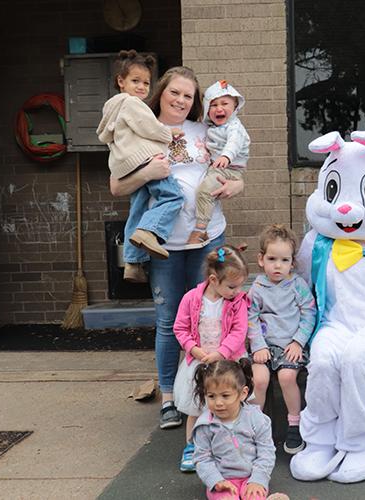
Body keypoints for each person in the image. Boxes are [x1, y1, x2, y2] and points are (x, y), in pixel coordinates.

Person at [109, 66, 245, 431]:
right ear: (161, 93)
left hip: (207, 239)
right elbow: (116, 186)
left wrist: (236, 186)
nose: (181, 100)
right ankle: (170, 398)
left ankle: (206, 393)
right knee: (170, 322)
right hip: (163, 246)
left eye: (188, 95)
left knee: (211, 317)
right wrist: (147, 173)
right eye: (175, 93)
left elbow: (234, 170)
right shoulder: (142, 128)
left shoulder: (205, 130)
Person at [97, 49, 184, 283]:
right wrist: (169, 133)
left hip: (127, 167)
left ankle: (132, 263)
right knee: (173, 197)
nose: (141, 87)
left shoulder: (112, 108)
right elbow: (149, 127)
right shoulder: (131, 103)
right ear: (121, 81)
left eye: (146, 83)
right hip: (144, 160)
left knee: (138, 209)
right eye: (135, 81)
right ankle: (149, 232)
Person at [173, 245, 250, 472]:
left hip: (227, 363)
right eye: (232, 286)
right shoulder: (192, 299)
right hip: (199, 362)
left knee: (230, 404)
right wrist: (193, 349)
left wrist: (222, 353)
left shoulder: (237, 302)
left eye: (240, 286)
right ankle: (192, 446)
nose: (237, 291)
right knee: (196, 407)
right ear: (214, 280)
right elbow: (180, 328)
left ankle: (232, 446)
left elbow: (239, 331)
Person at [247, 224, 316, 454]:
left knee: (287, 377)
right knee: (259, 380)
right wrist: (258, 346)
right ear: (261, 259)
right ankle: (255, 429)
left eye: (284, 260)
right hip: (265, 348)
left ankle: (294, 425)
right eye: (272, 259)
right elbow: (250, 317)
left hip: (290, 346)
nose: (278, 266)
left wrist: (298, 341)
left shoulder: (297, 285)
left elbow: (309, 312)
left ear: (293, 263)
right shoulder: (257, 288)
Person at [191, 359, 289, 500]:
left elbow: (266, 452)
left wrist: (258, 479)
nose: (218, 403)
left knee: (254, 496)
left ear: (243, 393)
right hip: (223, 480)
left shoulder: (256, 418)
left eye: (225, 396)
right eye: (211, 396)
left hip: (252, 477)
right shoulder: (205, 425)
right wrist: (216, 481)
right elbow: (202, 458)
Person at [187, 80, 251, 248]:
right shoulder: (210, 126)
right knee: (207, 192)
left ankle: (201, 230)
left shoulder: (234, 127)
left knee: (205, 191)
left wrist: (226, 156)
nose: (219, 108)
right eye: (213, 105)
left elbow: (234, 143)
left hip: (228, 169)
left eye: (224, 103)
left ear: (235, 106)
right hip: (219, 167)